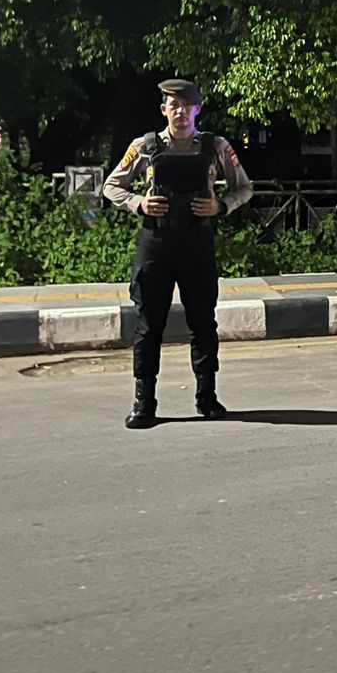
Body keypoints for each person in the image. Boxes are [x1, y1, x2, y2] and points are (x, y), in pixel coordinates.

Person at [103, 78, 254, 428]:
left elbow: (245, 188)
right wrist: (139, 204)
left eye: (187, 106)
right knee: (148, 324)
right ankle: (144, 402)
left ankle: (207, 397)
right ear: (163, 110)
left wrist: (221, 206)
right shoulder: (144, 146)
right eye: (174, 105)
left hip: (196, 243)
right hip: (156, 243)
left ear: (197, 110)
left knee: (203, 322)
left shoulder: (215, 146)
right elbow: (111, 186)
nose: (180, 112)